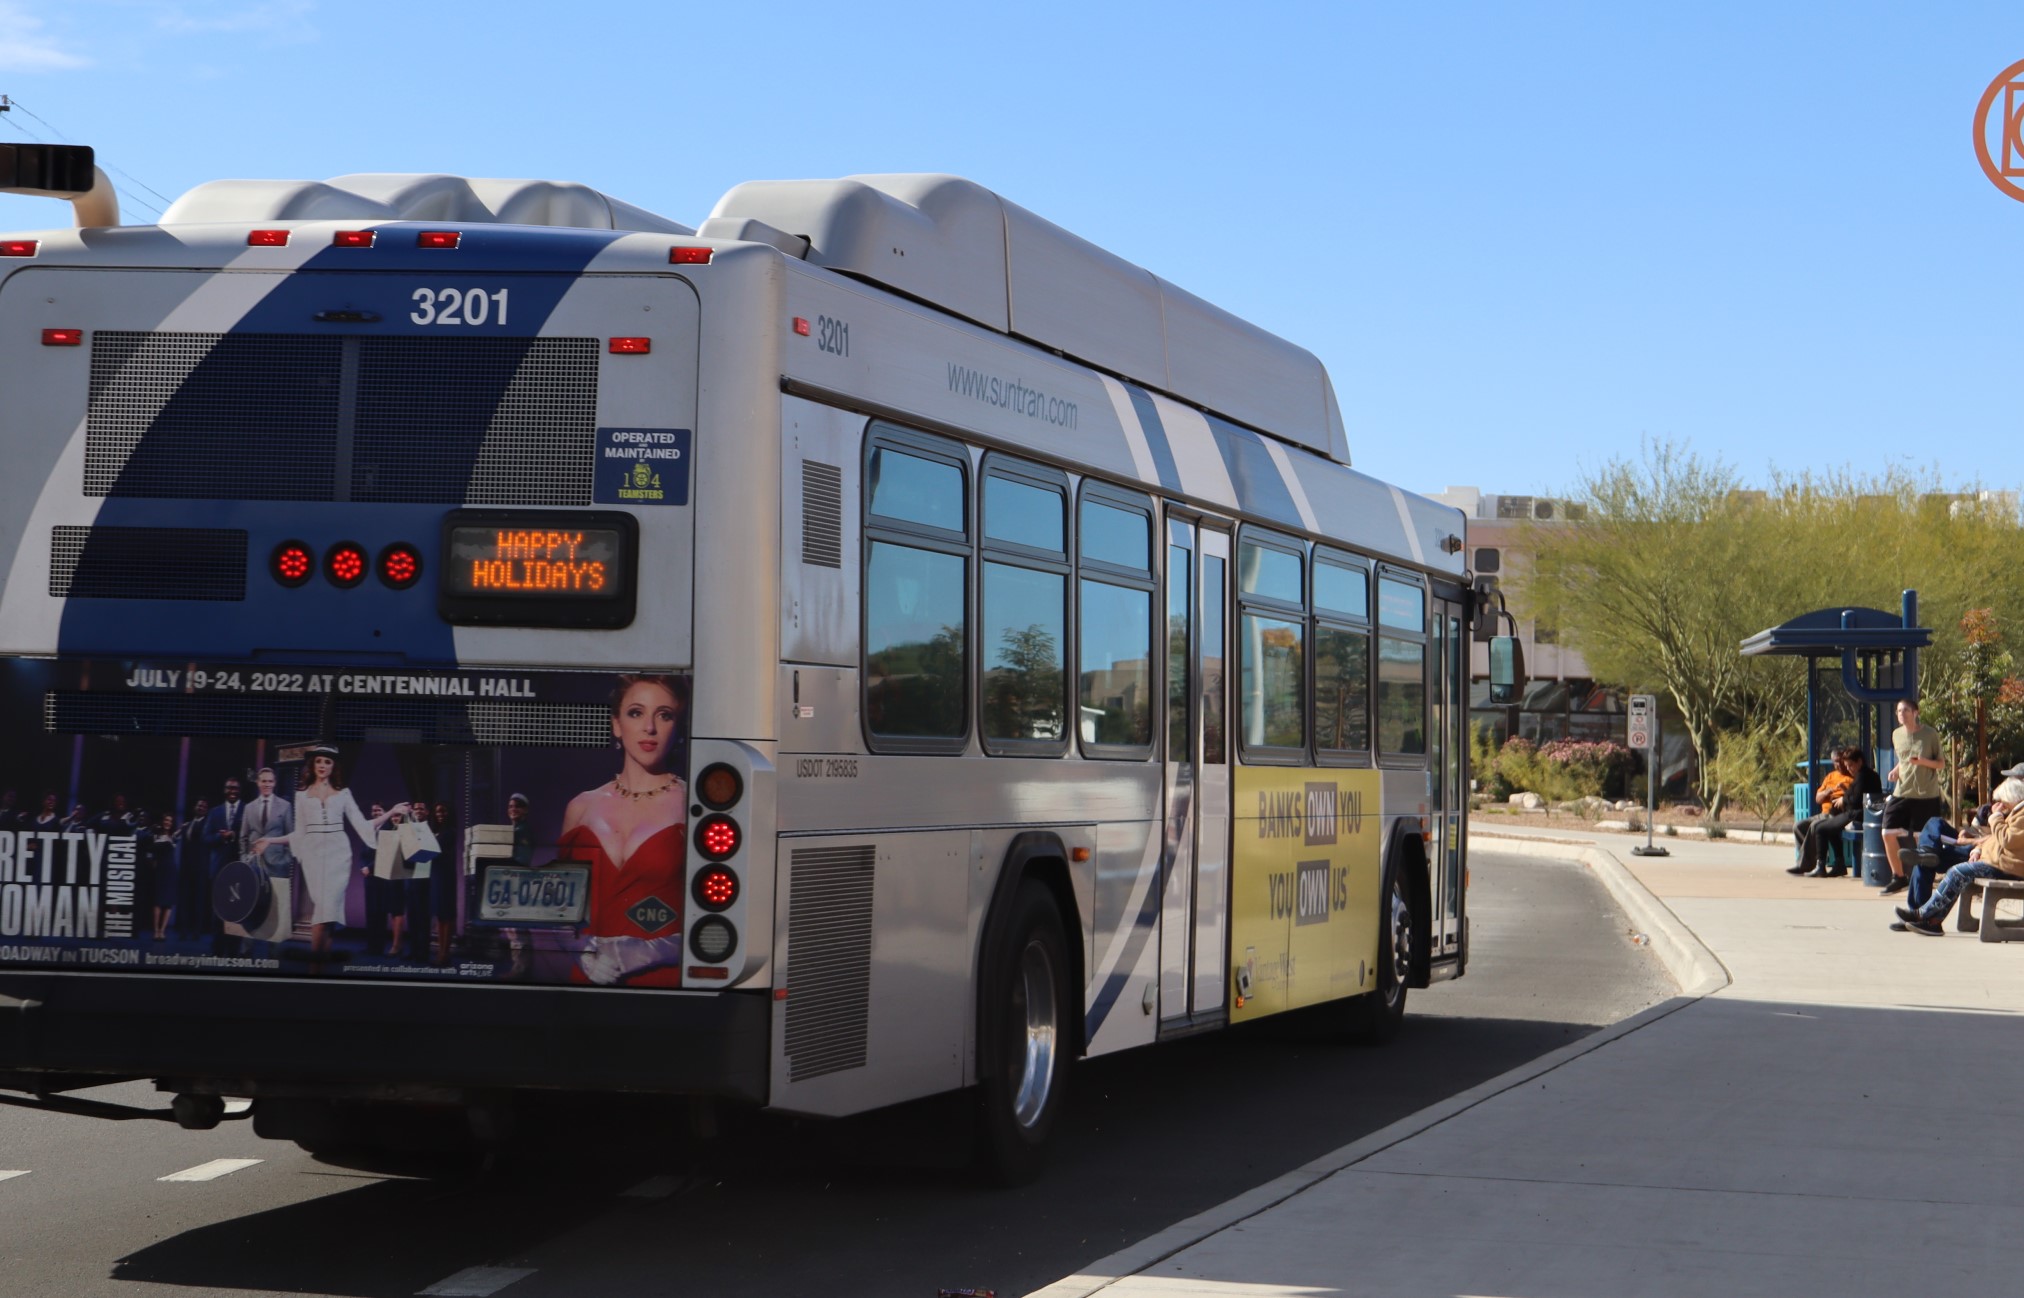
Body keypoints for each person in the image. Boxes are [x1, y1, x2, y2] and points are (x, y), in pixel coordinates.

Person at [556, 674, 688, 987]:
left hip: (662, 986)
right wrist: (582, 952)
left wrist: (651, 951)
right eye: (636, 713)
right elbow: (558, 913)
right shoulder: (581, 806)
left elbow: (724, 922)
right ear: (616, 724)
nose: (650, 728)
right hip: (588, 982)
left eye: (664, 715)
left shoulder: (694, 804)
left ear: (678, 727)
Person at [253, 745, 405, 961]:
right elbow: (299, 834)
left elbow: (362, 825)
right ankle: (323, 964)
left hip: (338, 854)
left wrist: (391, 812)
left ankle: (314, 969)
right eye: (319, 761)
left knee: (325, 908)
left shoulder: (344, 794)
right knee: (327, 911)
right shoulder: (302, 796)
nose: (322, 766)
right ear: (313, 765)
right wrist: (269, 840)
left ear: (334, 766)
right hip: (313, 855)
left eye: (327, 762)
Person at [1894, 778, 2024, 935]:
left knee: (1958, 872)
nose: (2000, 805)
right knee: (1929, 858)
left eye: (2003, 801)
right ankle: (1932, 921)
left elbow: (2007, 839)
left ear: (2011, 797)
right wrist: (1978, 849)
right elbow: (1995, 839)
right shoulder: (2015, 813)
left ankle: (1921, 914)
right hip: (1993, 859)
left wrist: (1995, 818)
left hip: (2006, 867)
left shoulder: (2021, 816)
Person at [1879, 698, 1945, 896]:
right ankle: (1898, 877)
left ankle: (1921, 882)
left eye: (1906, 710)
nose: (1901, 714)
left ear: (1916, 712)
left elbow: (1940, 764)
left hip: (1926, 795)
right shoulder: (1896, 735)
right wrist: (1896, 770)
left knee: (1921, 841)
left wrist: (1923, 761)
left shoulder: (1930, 734)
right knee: (1887, 832)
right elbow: (1904, 759)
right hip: (1902, 792)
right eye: (1898, 710)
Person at [1789, 748, 1880, 877]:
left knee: (1820, 828)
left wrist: (1843, 799)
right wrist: (1835, 793)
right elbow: (1853, 796)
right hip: (1851, 813)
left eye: (1850, 765)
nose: (1848, 769)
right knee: (1812, 826)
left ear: (1859, 761)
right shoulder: (1859, 775)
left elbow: (1855, 800)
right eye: (1846, 765)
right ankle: (1835, 864)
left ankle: (1819, 866)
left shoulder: (1863, 776)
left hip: (1856, 814)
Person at [202, 778, 246, 954]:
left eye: (236, 787)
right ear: (224, 790)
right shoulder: (215, 812)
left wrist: (234, 835)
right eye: (229, 787)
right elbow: (205, 838)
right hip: (219, 869)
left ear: (240, 790)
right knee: (218, 911)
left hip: (240, 868)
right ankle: (217, 950)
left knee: (238, 910)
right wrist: (221, 837)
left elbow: (251, 836)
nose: (233, 790)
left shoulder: (247, 810)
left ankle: (235, 950)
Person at [429, 799, 459, 966]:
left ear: (449, 813)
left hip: (446, 877)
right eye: (438, 811)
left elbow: (436, 849)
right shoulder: (436, 831)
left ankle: (445, 954)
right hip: (436, 875)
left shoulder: (450, 832)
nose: (440, 815)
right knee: (440, 916)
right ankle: (441, 952)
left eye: (443, 811)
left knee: (446, 915)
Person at [175, 798, 209, 939]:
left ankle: (196, 931)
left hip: (200, 868)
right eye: (199, 804)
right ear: (194, 807)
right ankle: (183, 930)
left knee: (198, 901)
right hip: (186, 868)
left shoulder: (208, 824)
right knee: (185, 900)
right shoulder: (187, 825)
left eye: (204, 806)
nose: (201, 807)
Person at [149, 811, 179, 940]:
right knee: (158, 902)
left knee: (168, 903)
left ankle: (163, 931)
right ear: (162, 821)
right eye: (166, 820)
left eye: (170, 821)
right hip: (160, 870)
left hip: (171, 870)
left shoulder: (174, 836)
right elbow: (152, 855)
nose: (168, 823)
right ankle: (156, 931)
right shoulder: (155, 835)